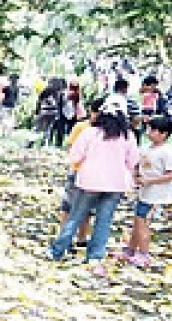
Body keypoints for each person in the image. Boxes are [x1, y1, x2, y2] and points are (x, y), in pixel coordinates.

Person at [48, 94, 139, 268]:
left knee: (75, 217)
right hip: (115, 184)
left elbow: (74, 156)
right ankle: (95, 256)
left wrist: (86, 165)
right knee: (104, 220)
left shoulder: (90, 132)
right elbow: (133, 161)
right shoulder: (128, 136)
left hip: (89, 182)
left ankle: (57, 251)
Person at [120, 116, 172, 267]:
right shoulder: (146, 148)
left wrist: (150, 181)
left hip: (157, 195)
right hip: (144, 192)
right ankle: (130, 250)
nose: (149, 133)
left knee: (142, 223)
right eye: (149, 129)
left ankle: (144, 254)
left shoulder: (167, 152)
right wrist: (136, 176)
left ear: (164, 134)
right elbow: (138, 165)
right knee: (137, 221)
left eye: (153, 130)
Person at [57, 97, 103, 248]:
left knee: (88, 209)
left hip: (94, 175)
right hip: (78, 171)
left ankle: (82, 238)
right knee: (68, 206)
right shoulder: (81, 127)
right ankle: (64, 237)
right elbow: (70, 147)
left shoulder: (106, 131)